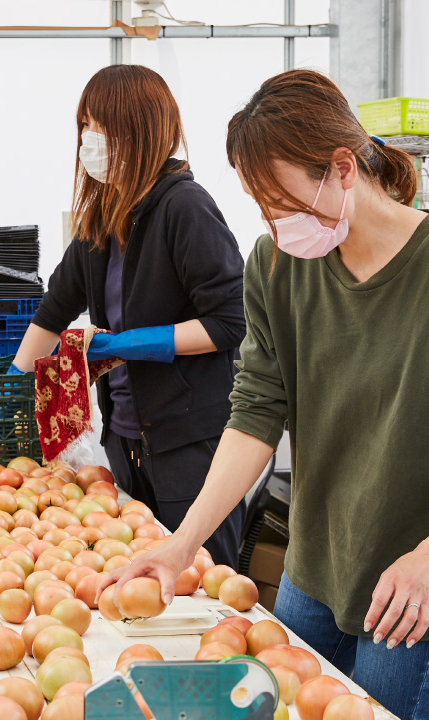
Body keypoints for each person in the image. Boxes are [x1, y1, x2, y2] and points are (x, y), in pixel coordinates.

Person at [100, 69, 429, 718]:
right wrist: (182, 542)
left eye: (282, 204)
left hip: (408, 586)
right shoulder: (276, 267)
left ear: (341, 169)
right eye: (260, 206)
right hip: (313, 567)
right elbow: (253, 414)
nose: (273, 226)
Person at [13, 65, 247, 567]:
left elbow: (230, 321)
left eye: (101, 127)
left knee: (202, 580)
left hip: (188, 442)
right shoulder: (103, 213)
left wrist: (126, 345)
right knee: (137, 572)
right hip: (124, 439)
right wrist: (9, 394)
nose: (88, 141)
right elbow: (54, 307)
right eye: (84, 126)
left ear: (141, 131)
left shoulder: (186, 209)